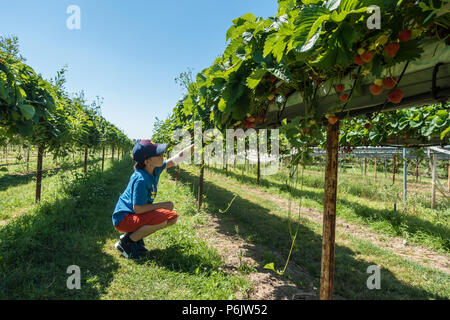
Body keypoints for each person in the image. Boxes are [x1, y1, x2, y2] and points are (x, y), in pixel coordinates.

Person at [112, 139, 194, 259]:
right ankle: (127, 243)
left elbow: (176, 158)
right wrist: (161, 205)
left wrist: (195, 146)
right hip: (123, 219)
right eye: (158, 154)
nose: (162, 156)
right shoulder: (141, 179)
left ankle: (135, 237)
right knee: (162, 217)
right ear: (147, 161)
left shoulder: (155, 169)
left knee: (172, 217)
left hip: (132, 215)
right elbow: (138, 209)